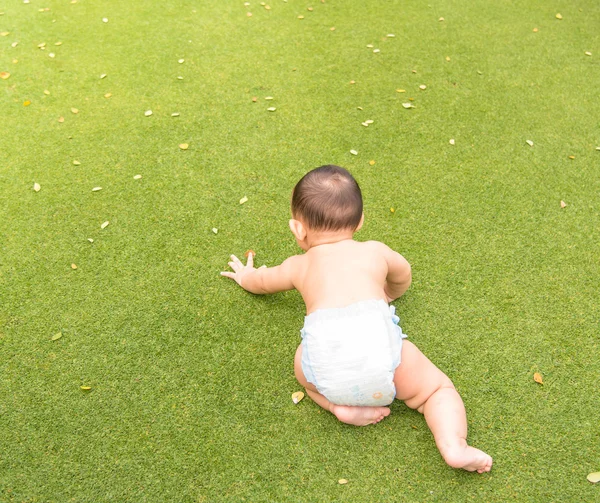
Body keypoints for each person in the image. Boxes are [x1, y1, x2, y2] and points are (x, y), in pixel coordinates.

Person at [220, 165, 492, 473]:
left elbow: (263, 282)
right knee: (435, 391)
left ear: (297, 229)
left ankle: (338, 407)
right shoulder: (375, 251)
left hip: (326, 367)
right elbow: (403, 274)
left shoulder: (298, 265)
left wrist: (245, 276)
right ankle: (453, 446)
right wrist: (391, 292)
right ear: (360, 222)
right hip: (382, 356)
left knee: (303, 370)